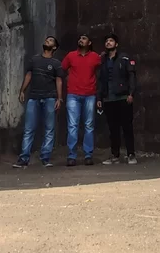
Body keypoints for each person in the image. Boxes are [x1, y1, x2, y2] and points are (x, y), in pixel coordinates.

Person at [15, 35, 63, 167]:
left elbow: (59, 81)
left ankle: (45, 158)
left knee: (49, 129)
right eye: (46, 39)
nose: (47, 40)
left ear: (54, 47)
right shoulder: (34, 59)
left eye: (51, 40)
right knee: (29, 129)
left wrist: (59, 98)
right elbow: (29, 75)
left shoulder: (56, 63)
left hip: (50, 98)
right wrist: (22, 91)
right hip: (33, 97)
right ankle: (23, 159)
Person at [96, 34, 137, 165]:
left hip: (123, 97)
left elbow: (131, 76)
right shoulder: (103, 61)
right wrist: (100, 97)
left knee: (127, 127)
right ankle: (115, 155)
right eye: (107, 41)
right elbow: (101, 80)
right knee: (113, 128)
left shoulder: (124, 59)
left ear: (116, 44)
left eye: (111, 41)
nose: (108, 43)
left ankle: (131, 154)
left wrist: (131, 93)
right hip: (108, 98)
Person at [61, 33, 101, 166]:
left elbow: (101, 72)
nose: (81, 40)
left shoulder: (95, 57)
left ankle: (88, 155)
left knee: (89, 125)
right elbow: (62, 70)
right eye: (80, 38)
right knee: (72, 126)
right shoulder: (70, 56)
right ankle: (71, 156)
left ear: (89, 43)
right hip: (73, 94)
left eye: (84, 38)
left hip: (90, 94)